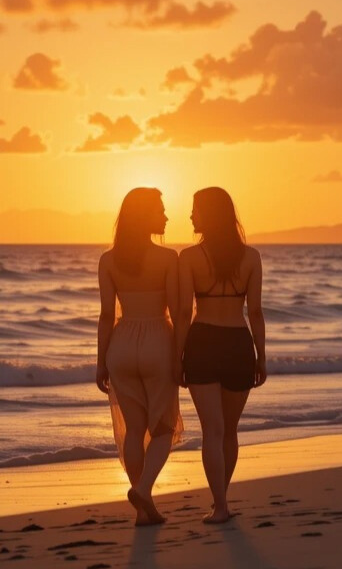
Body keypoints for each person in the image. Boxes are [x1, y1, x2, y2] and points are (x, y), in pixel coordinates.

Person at [175, 187, 266, 524]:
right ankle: (221, 501)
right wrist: (262, 356)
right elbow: (255, 313)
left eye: (196, 209)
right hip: (238, 345)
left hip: (202, 343)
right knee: (229, 431)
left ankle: (221, 505)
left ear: (209, 214)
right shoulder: (252, 257)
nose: (191, 216)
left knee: (212, 431)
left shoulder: (189, 258)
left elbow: (184, 313)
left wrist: (177, 357)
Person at [97, 187, 183, 526]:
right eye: (159, 210)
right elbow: (177, 312)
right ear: (143, 216)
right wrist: (180, 354)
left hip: (121, 344)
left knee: (134, 429)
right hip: (157, 342)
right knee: (163, 427)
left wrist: (101, 360)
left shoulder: (108, 260)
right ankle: (144, 490)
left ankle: (141, 509)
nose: (165, 216)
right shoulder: (168, 258)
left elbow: (106, 315)